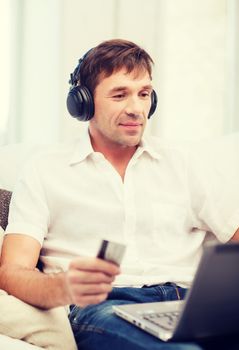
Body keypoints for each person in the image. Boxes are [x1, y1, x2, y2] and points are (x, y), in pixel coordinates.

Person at [0, 38, 239, 350]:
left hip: (189, 302)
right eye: (119, 95)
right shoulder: (45, 170)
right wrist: (63, 287)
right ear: (83, 103)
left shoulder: (185, 162)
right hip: (103, 307)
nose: (136, 108)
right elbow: (12, 272)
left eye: (144, 94)